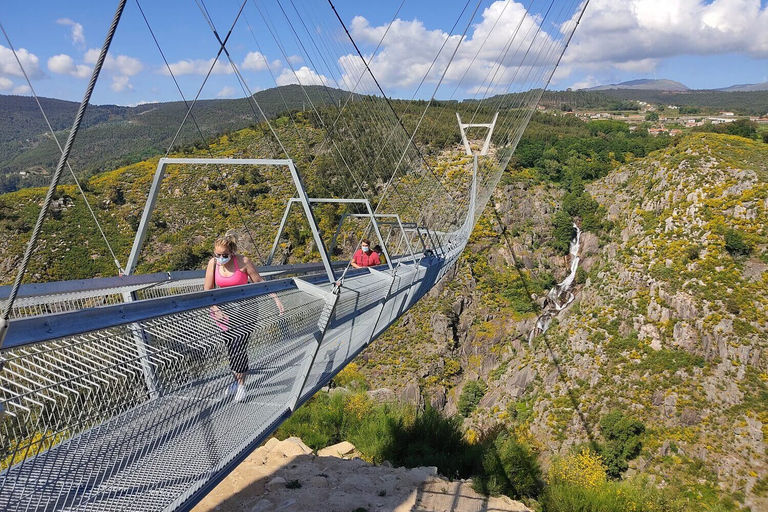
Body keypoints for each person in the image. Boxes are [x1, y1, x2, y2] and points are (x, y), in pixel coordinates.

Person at [204, 231, 284, 402]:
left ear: (232, 252)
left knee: (239, 345)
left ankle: (241, 385)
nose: (220, 258)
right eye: (217, 255)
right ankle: (236, 381)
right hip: (223, 313)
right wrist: (215, 308)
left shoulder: (243, 262)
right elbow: (207, 291)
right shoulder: (213, 264)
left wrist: (276, 299)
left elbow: (260, 282)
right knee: (231, 347)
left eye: (224, 255)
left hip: (246, 310)